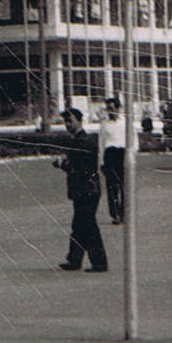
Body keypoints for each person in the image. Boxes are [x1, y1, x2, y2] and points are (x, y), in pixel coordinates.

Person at [55, 107, 107, 273]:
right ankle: (74, 259)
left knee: (88, 225)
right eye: (66, 122)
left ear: (79, 121)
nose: (67, 125)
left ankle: (99, 262)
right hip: (86, 189)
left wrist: (63, 164)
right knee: (79, 224)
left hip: (86, 190)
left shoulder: (82, 141)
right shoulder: (80, 140)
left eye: (70, 121)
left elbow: (79, 167)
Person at [98, 96, 126, 225]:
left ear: (118, 109)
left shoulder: (125, 122)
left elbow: (133, 139)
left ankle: (124, 214)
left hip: (122, 154)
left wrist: (132, 154)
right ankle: (115, 215)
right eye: (108, 109)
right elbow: (101, 143)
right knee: (112, 187)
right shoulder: (104, 124)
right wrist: (101, 161)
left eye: (113, 108)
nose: (111, 111)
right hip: (110, 155)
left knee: (124, 186)